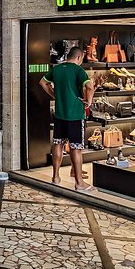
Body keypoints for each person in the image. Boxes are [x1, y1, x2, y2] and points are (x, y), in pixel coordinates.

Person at [39, 46, 96, 191]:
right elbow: (90, 86)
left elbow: (43, 82)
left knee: (58, 144)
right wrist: (88, 101)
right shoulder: (78, 70)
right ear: (79, 57)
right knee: (76, 148)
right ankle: (79, 183)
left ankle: (55, 177)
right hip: (75, 115)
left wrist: (54, 95)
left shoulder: (57, 69)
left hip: (60, 114)